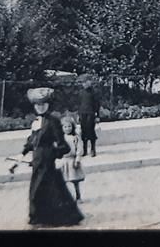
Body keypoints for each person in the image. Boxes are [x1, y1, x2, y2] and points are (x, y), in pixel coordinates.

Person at [22, 88, 83, 227]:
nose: (40, 107)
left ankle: (41, 219)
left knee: (40, 190)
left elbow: (63, 145)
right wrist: (23, 153)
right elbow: (32, 140)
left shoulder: (53, 121)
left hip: (47, 162)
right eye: (37, 104)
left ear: (48, 105)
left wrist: (51, 154)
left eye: (43, 104)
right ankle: (45, 218)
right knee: (50, 189)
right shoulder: (36, 122)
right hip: (37, 162)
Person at [59, 119, 86, 203]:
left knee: (75, 180)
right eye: (65, 127)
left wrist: (77, 159)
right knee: (63, 181)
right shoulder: (61, 138)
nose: (67, 129)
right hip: (63, 161)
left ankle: (78, 197)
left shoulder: (76, 137)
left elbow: (79, 148)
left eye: (69, 126)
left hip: (72, 160)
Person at [77, 82, 101, 157]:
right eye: (84, 82)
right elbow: (79, 104)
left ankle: (93, 149)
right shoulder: (80, 92)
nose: (85, 84)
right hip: (82, 114)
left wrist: (97, 115)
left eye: (87, 82)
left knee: (91, 131)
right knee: (83, 131)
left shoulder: (94, 92)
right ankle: (85, 150)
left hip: (91, 114)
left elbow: (97, 104)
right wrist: (78, 114)